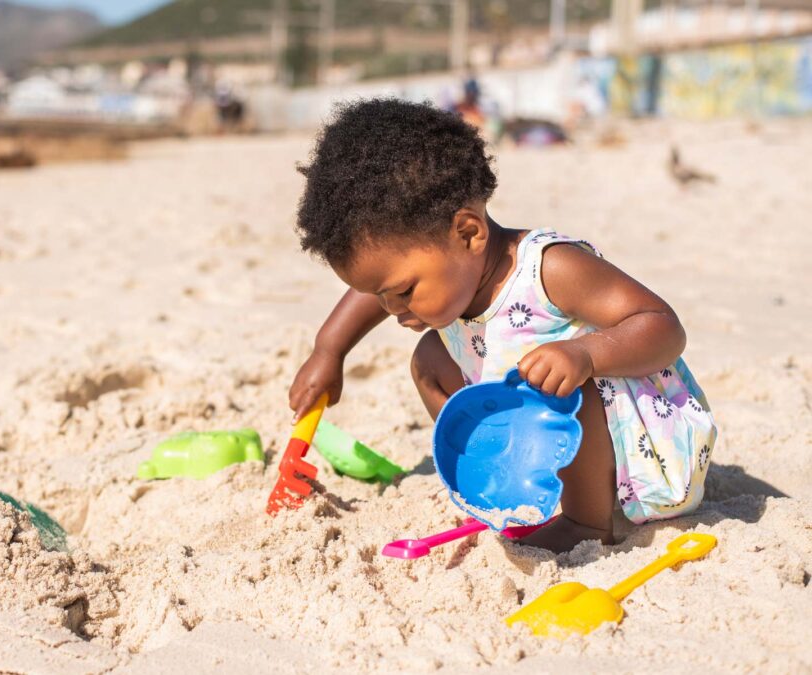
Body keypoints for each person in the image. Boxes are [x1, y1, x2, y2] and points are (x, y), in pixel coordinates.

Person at [288, 99, 716, 553]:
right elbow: (374, 287)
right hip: (551, 436)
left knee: (568, 384)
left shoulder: (550, 269)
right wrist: (329, 350)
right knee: (431, 358)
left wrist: (585, 354)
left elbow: (663, 328)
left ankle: (586, 522)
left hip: (642, 455)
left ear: (469, 234)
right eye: (381, 294)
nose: (392, 308)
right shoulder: (437, 269)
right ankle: (498, 479)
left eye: (404, 291)